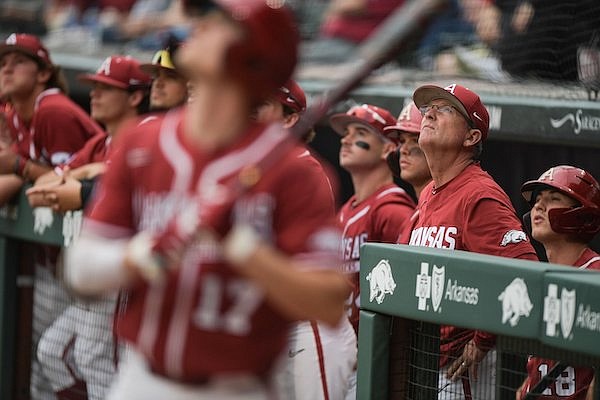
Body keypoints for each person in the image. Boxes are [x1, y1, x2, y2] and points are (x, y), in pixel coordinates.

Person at [64, 2, 350, 400]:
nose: (195, 27)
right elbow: (79, 271)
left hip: (236, 387)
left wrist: (242, 245)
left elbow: (329, 302)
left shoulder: (294, 172)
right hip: (141, 378)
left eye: (215, 23)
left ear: (250, 53)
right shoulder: (143, 141)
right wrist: (139, 254)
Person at [26, 55, 151, 400]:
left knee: (96, 363)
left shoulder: (144, 135)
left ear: (135, 97)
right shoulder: (99, 144)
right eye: (94, 86)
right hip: (97, 271)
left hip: (125, 268)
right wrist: (87, 173)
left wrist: (84, 180)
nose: (94, 94)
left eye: (106, 88)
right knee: (54, 352)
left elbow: (119, 184)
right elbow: (42, 189)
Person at [402, 83, 538, 400]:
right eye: (427, 109)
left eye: (445, 109)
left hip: (460, 371)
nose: (429, 113)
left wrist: (483, 339)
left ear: (471, 137)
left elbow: (525, 275)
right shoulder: (428, 193)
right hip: (424, 360)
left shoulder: (480, 195)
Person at [0, 32, 104, 400]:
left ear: (44, 73)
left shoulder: (53, 111)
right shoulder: (18, 115)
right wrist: (19, 168)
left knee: (76, 361)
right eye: (3, 61)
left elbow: (59, 186)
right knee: (47, 357)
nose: (7, 68)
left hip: (86, 265)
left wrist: (19, 167)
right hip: (56, 262)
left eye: (19, 60)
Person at [255, 79, 357, 400]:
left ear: (289, 118)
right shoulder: (251, 166)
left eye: (260, 106)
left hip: (310, 329)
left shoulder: (304, 169)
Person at [330, 102, 416, 399]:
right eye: (345, 133)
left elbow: (405, 295)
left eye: (360, 132)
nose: (346, 138)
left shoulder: (392, 209)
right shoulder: (346, 210)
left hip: (374, 357)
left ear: (386, 150)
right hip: (346, 349)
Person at [516, 165, 600, 400]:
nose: (538, 206)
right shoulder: (541, 276)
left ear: (581, 214)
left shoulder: (595, 273)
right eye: (537, 200)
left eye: (553, 199)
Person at [384, 101, 431, 199]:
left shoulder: (450, 206)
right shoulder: (420, 209)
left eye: (416, 140)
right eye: (402, 141)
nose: (403, 150)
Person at [139, 40, 188, 111]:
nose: (158, 83)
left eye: (171, 77)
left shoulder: (201, 121)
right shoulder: (145, 121)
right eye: (156, 76)